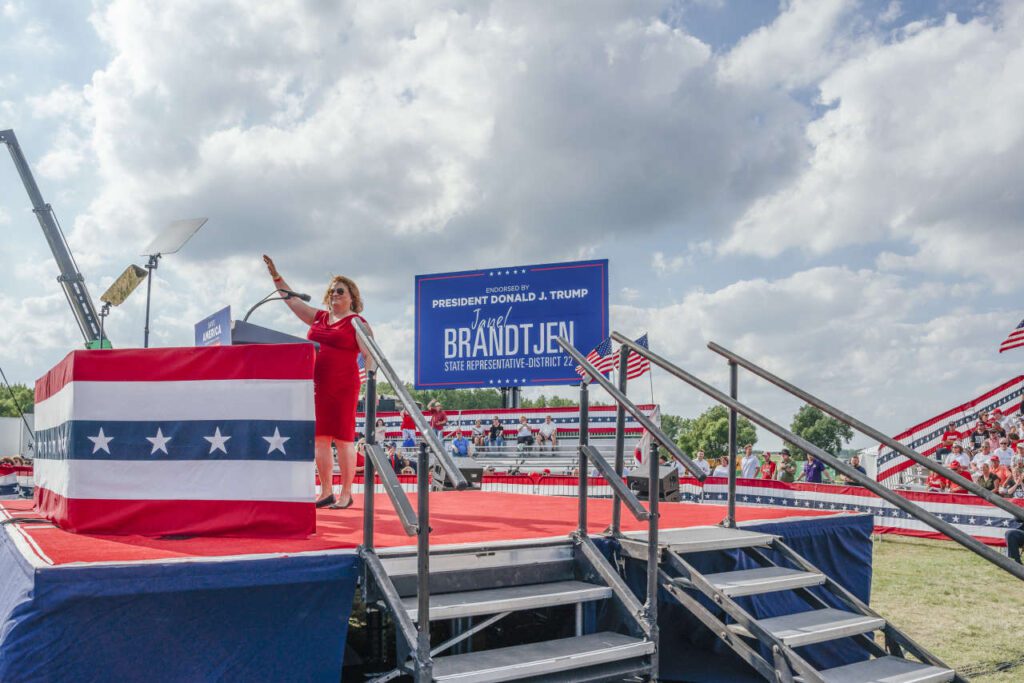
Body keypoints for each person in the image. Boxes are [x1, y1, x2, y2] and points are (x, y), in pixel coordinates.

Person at [263, 255, 374, 510]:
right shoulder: (320, 318)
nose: (334, 295)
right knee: (319, 439)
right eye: (331, 291)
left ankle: (346, 493)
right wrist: (276, 277)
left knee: (344, 439)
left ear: (352, 297)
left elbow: (370, 356)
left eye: (340, 291)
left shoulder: (357, 323)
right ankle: (326, 491)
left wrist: (369, 387)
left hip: (344, 386)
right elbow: (292, 302)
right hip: (316, 385)